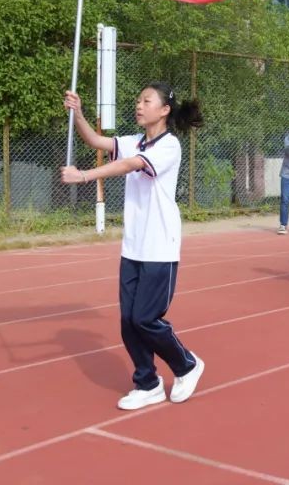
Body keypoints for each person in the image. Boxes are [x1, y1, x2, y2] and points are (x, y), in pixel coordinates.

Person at [60, 84, 205, 410]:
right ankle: (147, 383)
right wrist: (78, 113)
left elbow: (130, 165)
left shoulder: (169, 146)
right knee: (128, 321)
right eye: (138, 100)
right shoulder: (132, 141)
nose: (139, 105)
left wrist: (83, 176)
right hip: (134, 246)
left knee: (145, 318)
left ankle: (187, 365)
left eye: (146, 101)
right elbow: (97, 141)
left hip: (160, 247)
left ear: (164, 109)